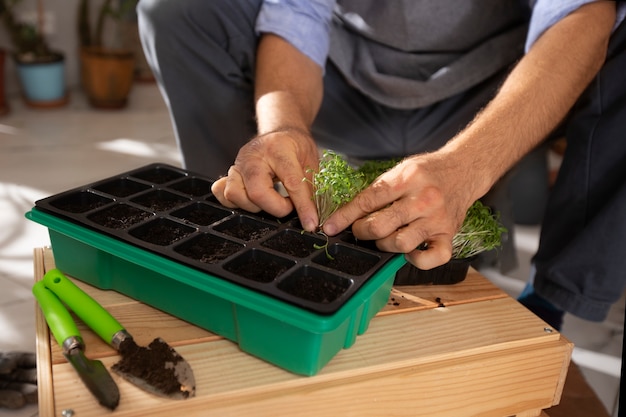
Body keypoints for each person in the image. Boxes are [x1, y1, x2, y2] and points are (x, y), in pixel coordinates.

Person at [138, 0, 626, 330]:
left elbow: (582, 14)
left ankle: (551, 302)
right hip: (342, 82)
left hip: (499, 88)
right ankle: (248, 239)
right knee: (181, 9)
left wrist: (469, 166)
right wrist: (282, 128)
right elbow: (296, 11)